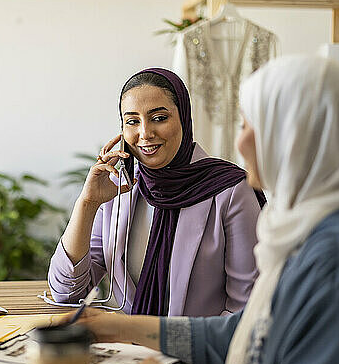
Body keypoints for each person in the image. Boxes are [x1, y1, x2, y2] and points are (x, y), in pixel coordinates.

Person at [76, 56, 339, 364]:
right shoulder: (307, 229)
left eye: (254, 126)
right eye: (131, 120)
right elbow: (248, 331)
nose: (240, 141)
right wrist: (121, 326)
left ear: (310, 138)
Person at [48, 68, 264, 317]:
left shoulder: (231, 191)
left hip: (201, 353)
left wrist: (177, 349)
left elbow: (246, 311)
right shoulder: (118, 190)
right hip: (127, 351)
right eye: (132, 121)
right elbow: (67, 292)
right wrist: (88, 203)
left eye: (159, 118)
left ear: (183, 118)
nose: (145, 133)